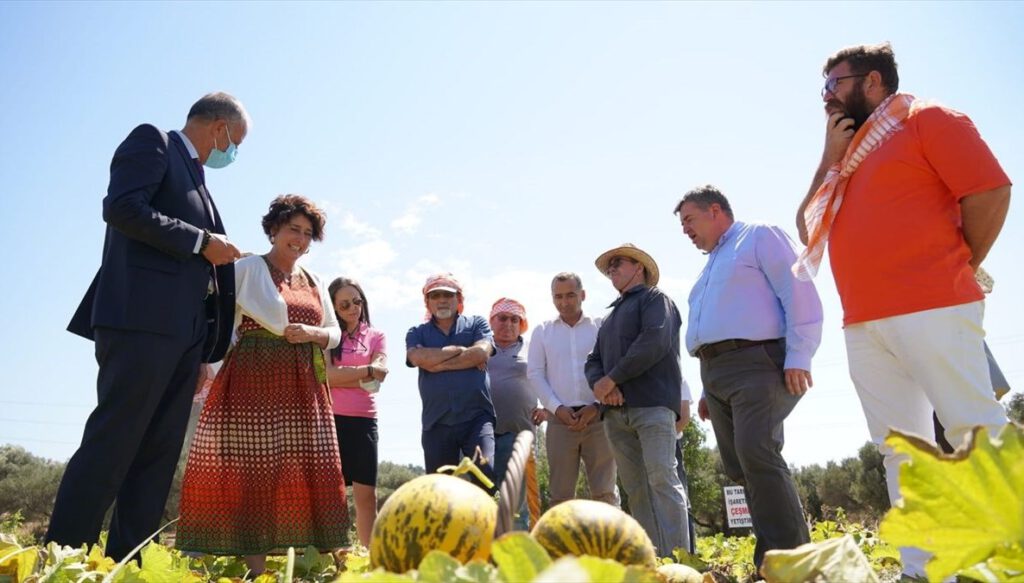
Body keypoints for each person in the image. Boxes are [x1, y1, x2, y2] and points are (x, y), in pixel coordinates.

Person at [795, 43, 1011, 577]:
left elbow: (989, 192)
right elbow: (806, 227)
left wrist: (954, 265)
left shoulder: (928, 120)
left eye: (834, 85)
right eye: (822, 88)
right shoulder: (843, 157)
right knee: (902, 451)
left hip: (934, 304)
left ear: (872, 82)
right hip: (863, 323)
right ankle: (924, 569)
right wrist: (827, 156)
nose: (826, 98)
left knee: (975, 431)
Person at [50, 92, 248, 560]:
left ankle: (127, 560)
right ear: (218, 127)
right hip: (140, 321)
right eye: (235, 141)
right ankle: (64, 555)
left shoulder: (200, 181)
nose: (232, 153)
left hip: (184, 337)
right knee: (115, 439)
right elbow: (122, 208)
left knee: (157, 456)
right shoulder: (153, 142)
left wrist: (202, 352)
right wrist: (202, 241)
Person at [175, 195, 349, 575]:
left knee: (311, 466)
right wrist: (206, 364)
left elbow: (335, 334)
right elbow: (215, 312)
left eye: (307, 233)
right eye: (292, 229)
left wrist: (311, 332)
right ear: (274, 230)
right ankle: (257, 569)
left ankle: (328, 560)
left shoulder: (316, 280)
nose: (299, 239)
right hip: (253, 378)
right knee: (255, 468)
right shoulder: (248, 268)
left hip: (304, 381)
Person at [676, 185, 822, 568]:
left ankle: (791, 559)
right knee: (739, 466)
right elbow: (714, 326)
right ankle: (772, 557)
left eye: (689, 220)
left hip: (758, 362)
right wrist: (708, 387)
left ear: (714, 210)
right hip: (717, 373)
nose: (685, 231)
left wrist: (799, 354)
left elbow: (798, 290)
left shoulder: (758, 236)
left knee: (757, 451)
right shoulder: (710, 266)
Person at [585, 244, 690, 557]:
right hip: (616, 414)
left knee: (662, 479)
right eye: (610, 266)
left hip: (653, 406)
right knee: (636, 491)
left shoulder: (657, 300)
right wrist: (602, 386)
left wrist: (613, 378)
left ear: (639, 267)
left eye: (619, 263)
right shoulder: (610, 316)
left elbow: (653, 342)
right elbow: (593, 362)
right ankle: (652, 561)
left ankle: (681, 561)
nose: (612, 269)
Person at [527, 272, 620, 508]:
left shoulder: (601, 326)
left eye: (570, 295)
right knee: (560, 497)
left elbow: (613, 368)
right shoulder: (542, 331)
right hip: (559, 422)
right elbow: (535, 374)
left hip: (600, 419)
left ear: (583, 295)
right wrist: (557, 410)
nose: (564, 302)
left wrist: (597, 407)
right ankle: (562, 546)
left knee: (605, 493)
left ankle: (609, 545)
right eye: (558, 297)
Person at [406, 273, 497, 491]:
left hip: (476, 419)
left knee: (487, 476)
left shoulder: (477, 323)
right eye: (435, 295)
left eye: (448, 295)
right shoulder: (416, 332)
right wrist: (461, 351)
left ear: (459, 300)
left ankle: (493, 526)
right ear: (427, 302)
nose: (442, 300)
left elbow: (481, 353)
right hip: (436, 424)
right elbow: (417, 358)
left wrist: (436, 364)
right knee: (439, 492)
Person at [327, 277, 388, 548]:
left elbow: (379, 378)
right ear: (334, 308)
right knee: (333, 495)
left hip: (364, 420)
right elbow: (327, 376)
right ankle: (335, 555)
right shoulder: (328, 336)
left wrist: (346, 376)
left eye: (357, 301)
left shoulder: (376, 335)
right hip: (330, 421)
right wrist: (365, 371)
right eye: (344, 304)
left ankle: (368, 559)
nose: (353, 308)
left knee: (367, 497)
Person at [487, 297, 535, 530]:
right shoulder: (480, 347)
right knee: (478, 502)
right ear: (492, 322)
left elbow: (551, 378)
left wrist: (548, 408)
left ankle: (517, 560)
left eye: (514, 319)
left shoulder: (533, 349)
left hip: (517, 436)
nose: (508, 324)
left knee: (516, 507)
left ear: (522, 324)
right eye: (502, 318)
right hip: (481, 437)